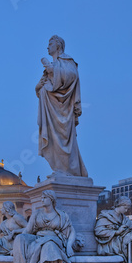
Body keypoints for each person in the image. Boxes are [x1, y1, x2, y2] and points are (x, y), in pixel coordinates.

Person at [35, 35, 88, 177]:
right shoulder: (51, 66)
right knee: (53, 139)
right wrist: (39, 87)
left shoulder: (66, 61)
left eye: (50, 43)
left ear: (58, 45)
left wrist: (53, 70)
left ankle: (69, 170)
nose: (47, 47)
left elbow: (72, 76)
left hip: (64, 108)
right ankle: (59, 169)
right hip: (51, 110)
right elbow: (40, 86)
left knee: (65, 138)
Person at [13, 190, 79, 263]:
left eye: (44, 198)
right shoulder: (37, 213)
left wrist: (69, 245)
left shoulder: (61, 215)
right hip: (38, 239)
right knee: (20, 238)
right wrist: (18, 242)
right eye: (41, 198)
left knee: (48, 245)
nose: (42, 200)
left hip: (54, 239)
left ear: (51, 199)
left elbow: (71, 232)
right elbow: (27, 231)